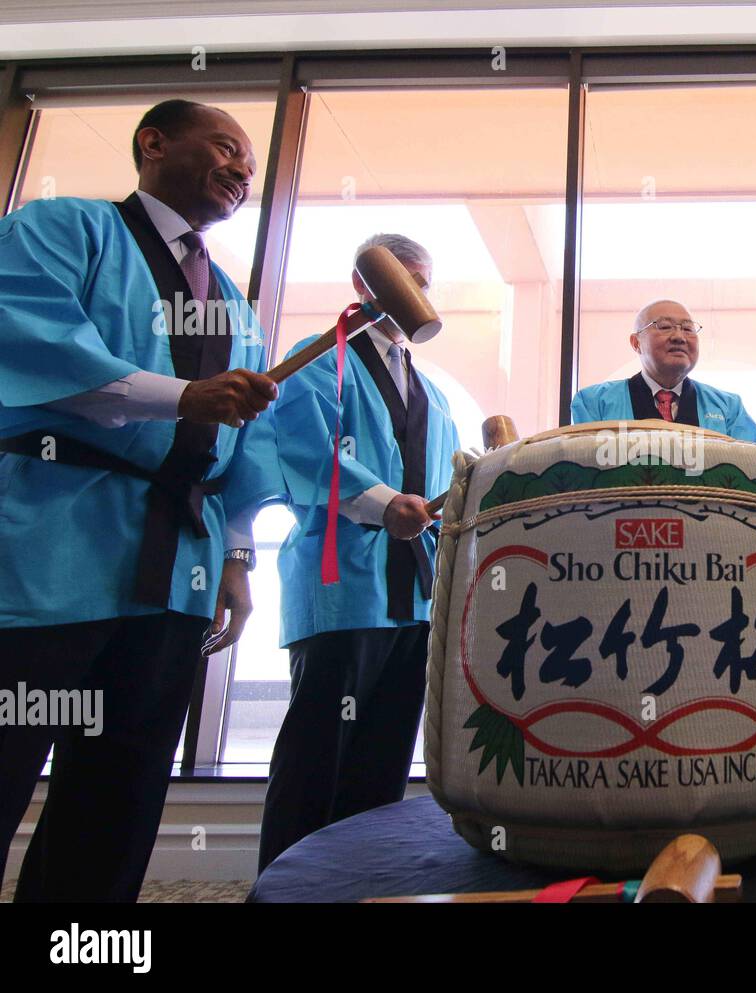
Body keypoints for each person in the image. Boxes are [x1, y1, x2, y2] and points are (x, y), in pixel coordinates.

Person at [0, 99, 279, 901]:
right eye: (227, 149)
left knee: (121, 793)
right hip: (55, 536)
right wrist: (182, 395)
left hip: (177, 563)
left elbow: (245, 447)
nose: (240, 173)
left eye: (252, 168)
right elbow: (28, 338)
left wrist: (234, 554)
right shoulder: (63, 228)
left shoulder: (230, 295)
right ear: (154, 143)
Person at [257, 234, 459, 872]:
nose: (416, 293)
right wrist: (379, 503)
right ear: (364, 283)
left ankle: (360, 881)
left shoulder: (432, 389)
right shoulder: (317, 361)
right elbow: (301, 448)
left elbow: (440, 476)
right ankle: (288, 884)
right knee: (320, 747)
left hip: (416, 593)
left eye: (424, 282)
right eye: (404, 279)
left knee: (385, 754)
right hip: (344, 583)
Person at [570, 299, 756, 442]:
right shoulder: (593, 403)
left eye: (688, 329)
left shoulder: (729, 407)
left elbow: (752, 469)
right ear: (636, 343)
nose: (679, 337)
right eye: (664, 327)